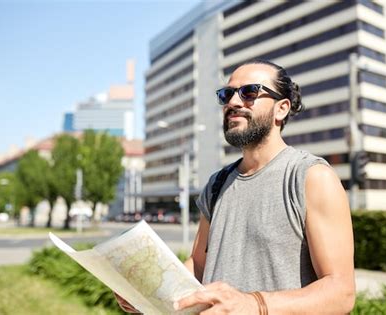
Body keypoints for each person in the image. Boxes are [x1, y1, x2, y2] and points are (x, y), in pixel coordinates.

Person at [117, 60, 355, 314]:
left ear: (281, 109)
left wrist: (254, 305)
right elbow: (198, 267)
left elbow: (341, 293)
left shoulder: (311, 177)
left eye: (249, 92)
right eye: (227, 94)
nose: (233, 102)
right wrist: (148, 293)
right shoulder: (217, 184)